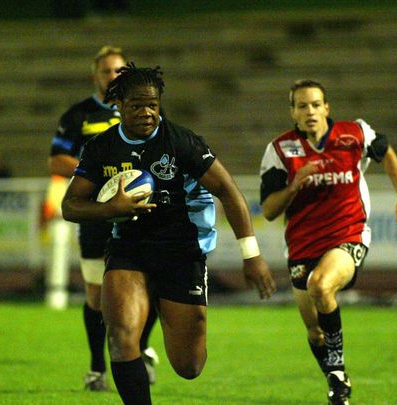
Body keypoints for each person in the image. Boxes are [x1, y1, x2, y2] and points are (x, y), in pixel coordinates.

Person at [61, 63, 276, 405]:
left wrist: (251, 255)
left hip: (181, 251)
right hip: (128, 248)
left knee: (189, 365)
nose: (146, 113)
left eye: (153, 105)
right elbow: (70, 206)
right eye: (136, 106)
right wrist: (109, 210)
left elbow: (228, 190)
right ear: (119, 105)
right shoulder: (102, 148)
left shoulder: (181, 142)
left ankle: (164, 304)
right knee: (120, 337)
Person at [259, 79, 397, 405]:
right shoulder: (279, 150)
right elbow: (270, 210)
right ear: (293, 113)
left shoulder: (355, 134)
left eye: (316, 104)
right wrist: (294, 185)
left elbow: (387, 155)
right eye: (302, 106)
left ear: (326, 107)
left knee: (321, 285)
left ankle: (338, 374)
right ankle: (336, 381)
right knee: (314, 331)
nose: (310, 111)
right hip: (301, 246)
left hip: (348, 235)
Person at [47, 46, 160, 391]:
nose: (113, 77)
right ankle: (98, 369)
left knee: (152, 289)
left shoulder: (141, 109)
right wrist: (95, 172)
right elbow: (56, 162)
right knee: (97, 297)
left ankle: (138, 347)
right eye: (106, 71)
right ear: (95, 75)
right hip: (96, 215)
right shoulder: (77, 115)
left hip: (141, 214)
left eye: (118, 71)